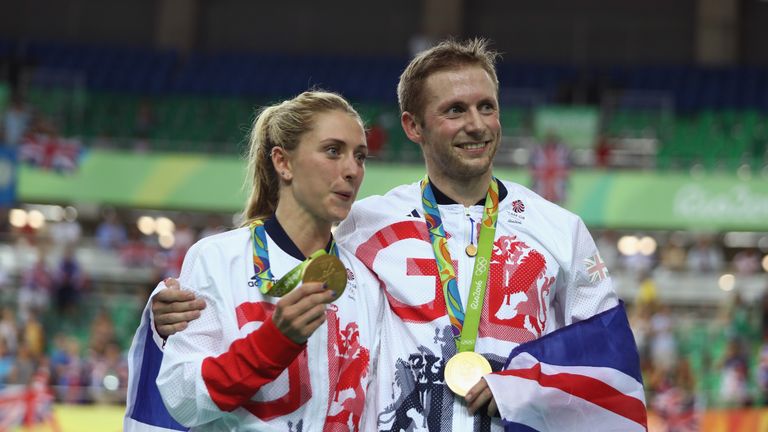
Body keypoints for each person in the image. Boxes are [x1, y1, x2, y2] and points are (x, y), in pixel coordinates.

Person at [148, 39, 621, 431]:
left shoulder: (559, 230)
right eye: (455, 110)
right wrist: (169, 311)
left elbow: (604, 358)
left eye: (486, 107)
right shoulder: (365, 226)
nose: (475, 124)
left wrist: (528, 385)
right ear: (413, 126)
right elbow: (274, 269)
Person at [124, 90, 383, 431]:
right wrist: (276, 341)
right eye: (333, 151)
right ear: (283, 162)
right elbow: (182, 398)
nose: (352, 170)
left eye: (360, 156)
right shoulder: (218, 259)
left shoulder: (365, 281)